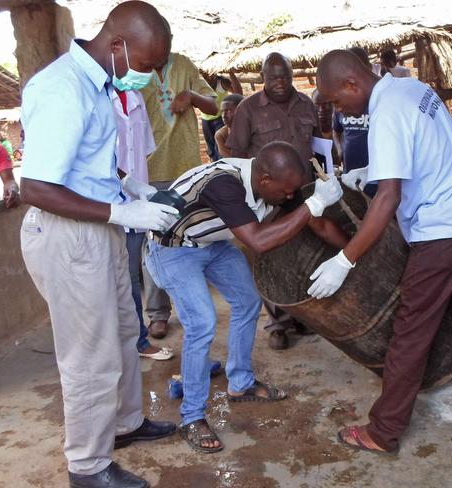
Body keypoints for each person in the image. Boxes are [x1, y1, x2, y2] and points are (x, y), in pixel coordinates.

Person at [312, 50, 452, 454]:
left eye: (338, 101)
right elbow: (423, 154)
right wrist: (366, 173)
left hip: (441, 232)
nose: (340, 110)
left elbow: (388, 197)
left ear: (353, 84)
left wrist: (345, 259)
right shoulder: (410, 88)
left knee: (411, 330)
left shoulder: (386, 113)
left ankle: (383, 430)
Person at [19, 3, 178, 487]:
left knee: (125, 334)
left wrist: (129, 189)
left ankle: (126, 425)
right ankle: (87, 467)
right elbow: (36, 187)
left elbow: (87, 168)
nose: (150, 77)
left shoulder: (98, 84)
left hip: (100, 227)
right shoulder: (62, 88)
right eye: (147, 65)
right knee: (90, 355)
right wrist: (120, 211)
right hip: (70, 235)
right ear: (117, 46)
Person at [144, 141, 347, 453]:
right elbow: (258, 241)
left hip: (211, 241)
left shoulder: (278, 185)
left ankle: (240, 384)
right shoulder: (225, 183)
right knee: (202, 323)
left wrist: (351, 257)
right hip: (173, 247)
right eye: (287, 193)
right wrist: (313, 203)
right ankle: (192, 417)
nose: (291, 198)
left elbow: (316, 222)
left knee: (248, 302)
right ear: (265, 181)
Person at [227, 52, 320, 350]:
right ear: (263, 77)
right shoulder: (248, 109)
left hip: (306, 192)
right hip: (269, 199)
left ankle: (304, 315)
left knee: (306, 253)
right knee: (273, 260)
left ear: (293, 75)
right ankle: (279, 323)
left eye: (285, 76)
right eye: (272, 77)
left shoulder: (306, 104)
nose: (279, 82)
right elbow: (237, 156)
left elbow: (318, 144)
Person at [140, 29, 219, 341]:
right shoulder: (133, 72)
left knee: (191, 239)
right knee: (155, 245)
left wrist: (193, 97)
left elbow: (214, 107)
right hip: (149, 171)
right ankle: (158, 314)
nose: (163, 48)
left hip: (187, 170)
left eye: (166, 41)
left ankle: (193, 309)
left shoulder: (184, 65)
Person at [111, 86, 173, 361]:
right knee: (126, 277)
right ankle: (136, 339)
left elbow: (142, 151)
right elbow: (105, 160)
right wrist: (125, 185)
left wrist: (136, 186)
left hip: (136, 200)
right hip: (111, 206)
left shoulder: (135, 98)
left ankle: (137, 338)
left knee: (136, 273)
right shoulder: (98, 100)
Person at [332, 47, 377, 197]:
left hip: (378, 176)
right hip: (351, 173)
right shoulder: (342, 106)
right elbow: (336, 130)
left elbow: (390, 195)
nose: (338, 108)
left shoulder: (380, 105)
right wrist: (339, 148)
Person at [202, 71, 243, 161]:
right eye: (204, 75)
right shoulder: (201, 83)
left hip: (219, 118)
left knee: (220, 144)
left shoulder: (221, 83)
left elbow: (238, 93)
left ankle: (223, 163)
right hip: (205, 120)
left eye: (210, 75)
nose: (208, 78)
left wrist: (231, 73)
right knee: (211, 149)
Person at [214, 93, 244, 159]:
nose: (224, 116)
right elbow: (232, 161)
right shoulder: (221, 135)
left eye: (229, 111)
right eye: (222, 111)